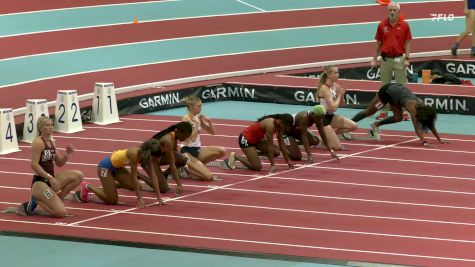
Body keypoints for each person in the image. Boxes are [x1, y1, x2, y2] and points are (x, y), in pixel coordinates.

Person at [17, 116, 84, 217]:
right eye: (47, 125)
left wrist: (67, 155)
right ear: (40, 128)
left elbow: (59, 163)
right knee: (61, 213)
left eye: (52, 125)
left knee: (79, 175)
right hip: (39, 183)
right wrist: (50, 177)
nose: (51, 127)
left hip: (50, 180)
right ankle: (35, 201)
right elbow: (34, 165)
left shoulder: (52, 142)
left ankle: (59, 198)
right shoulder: (38, 142)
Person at [350, 83, 447, 146]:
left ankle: (376, 125)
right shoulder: (413, 108)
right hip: (387, 92)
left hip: (396, 97)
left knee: (398, 118)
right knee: (369, 112)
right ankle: (348, 124)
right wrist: (425, 142)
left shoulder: (423, 106)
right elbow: (416, 127)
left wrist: (439, 139)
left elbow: (430, 124)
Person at [78, 139, 164, 208]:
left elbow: (153, 177)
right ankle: (87, 186)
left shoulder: (147, 157)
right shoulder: (134, 154)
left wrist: (159, 198)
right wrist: (139, 199)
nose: (154, 161)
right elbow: (134, 177)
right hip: (105, 167)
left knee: (138, 186)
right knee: (112, 201)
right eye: (154, 159)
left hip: (117, 168)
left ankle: (110, 185)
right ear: (149, 154)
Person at [371, 2, 412, 121]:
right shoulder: (381, 25)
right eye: (390, 10)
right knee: (384, 88)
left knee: (401, 88)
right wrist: (374, 59)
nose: (392, 12)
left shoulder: (404, 25)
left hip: (400, 59)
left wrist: (407, 59)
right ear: (388, 11)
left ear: (399, 12)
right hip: (385, 60)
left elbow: (408, 42)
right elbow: (378, 43)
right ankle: (384, 112)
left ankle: (404, 112)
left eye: (395, 10)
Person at [225, 114, 295, 174]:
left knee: (276, 152)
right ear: (282, 122)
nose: (286, 128)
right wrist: (272, 165)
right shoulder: (270, 125)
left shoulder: (279, 126)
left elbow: (281, 144)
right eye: (286, 126)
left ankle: (252, 155)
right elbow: (270, 146)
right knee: (257, 167)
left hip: (257, 140)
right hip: (246, 140)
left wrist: (287, 161)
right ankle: (235, 156)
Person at [180, 96, 226, 180]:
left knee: (222, 151)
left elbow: (212, 132)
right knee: (208, 177)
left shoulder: (198, 117)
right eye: (199, 106)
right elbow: (192, 138)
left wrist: (209, 122)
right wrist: (197, 124)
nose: (201, 108)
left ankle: (196, 167)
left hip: (197, 151)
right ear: (191, 107)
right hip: (186, 152)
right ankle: (187, 171)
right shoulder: (186, 119)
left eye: (201, 105)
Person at [315, 65, 357, 150]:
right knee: (337, 147)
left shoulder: (335, 86)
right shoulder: (324, 88)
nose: (338, 74)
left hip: (330, 116)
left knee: (353, 126)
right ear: (329, 75)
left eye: (338, 72)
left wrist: (341, 96)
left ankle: (327, 136)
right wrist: (340, 95)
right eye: (335, 73)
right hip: (323, 119)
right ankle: (323, 137)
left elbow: (342, 104)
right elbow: (333, 108)